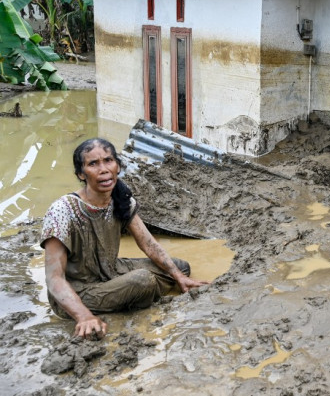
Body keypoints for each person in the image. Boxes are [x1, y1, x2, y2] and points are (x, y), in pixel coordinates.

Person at [41, 138, 209, 340]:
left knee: (180, 267)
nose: (103, 169)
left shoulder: (121, 198)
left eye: (108, 160)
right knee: (143, 280)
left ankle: (123, 297)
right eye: (93, 164)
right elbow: (54, 279)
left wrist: (179, 277)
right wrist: (84, 316)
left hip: (109, 272)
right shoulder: (62, 210)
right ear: (81, 174)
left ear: (118, 166)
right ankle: (119, 301)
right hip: (79, 290)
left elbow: (147, 243)